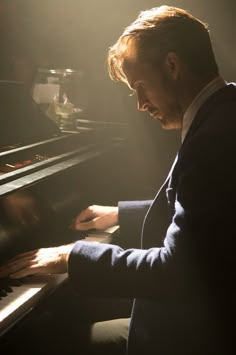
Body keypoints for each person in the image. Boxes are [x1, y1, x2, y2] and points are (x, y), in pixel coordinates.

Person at [0, 5, 235, 355]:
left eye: (140, 86)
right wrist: (122, 214)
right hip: (204, 316)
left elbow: (174, 271)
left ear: (172, 65)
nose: (140, 104)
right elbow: (209, 214)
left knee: (34, 342)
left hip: (195, 336)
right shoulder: (224, 110)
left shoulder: (212, 141)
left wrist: (72, 256)